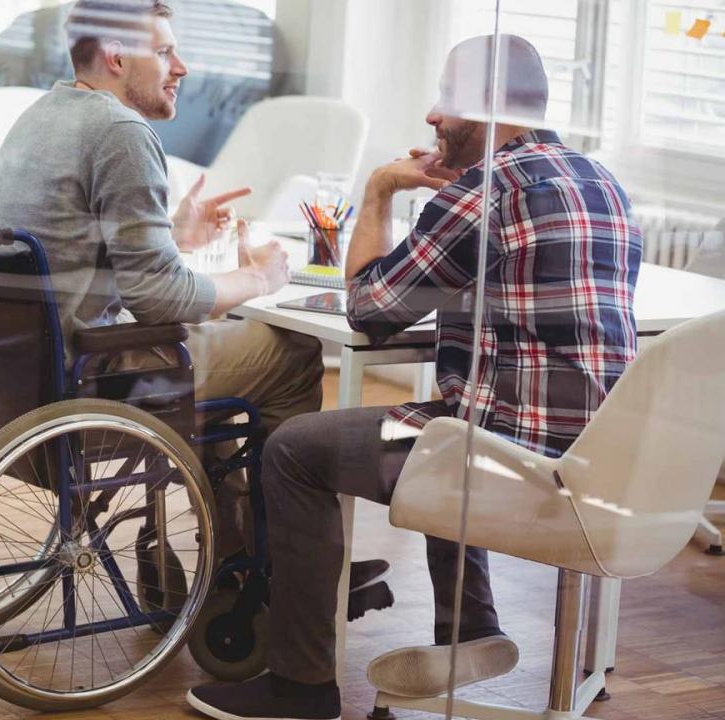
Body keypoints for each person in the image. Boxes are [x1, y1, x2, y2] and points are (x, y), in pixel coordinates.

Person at [188, 34, 642, 720]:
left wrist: (379, 191)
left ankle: (301, 685)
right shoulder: (600, 181)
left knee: (296, 450)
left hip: (510, 464)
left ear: (489, 111)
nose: (432, 117)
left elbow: (370, 308)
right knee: (445, 417)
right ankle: (471, 629)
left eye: (448, 102)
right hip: (603, 462)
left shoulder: (484, 193)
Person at [0, 0, 393, 599]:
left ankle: (234, 553)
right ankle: (284, 567)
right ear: (117, 57)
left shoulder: (46, 113)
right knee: (290, 353)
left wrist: (172, 233)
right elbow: (160, 300)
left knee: (224, 368)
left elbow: (67, 248)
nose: (182, 67)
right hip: (84, 377)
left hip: (10, 377)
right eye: (164, 51)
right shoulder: (120, 130)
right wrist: (261, 279)